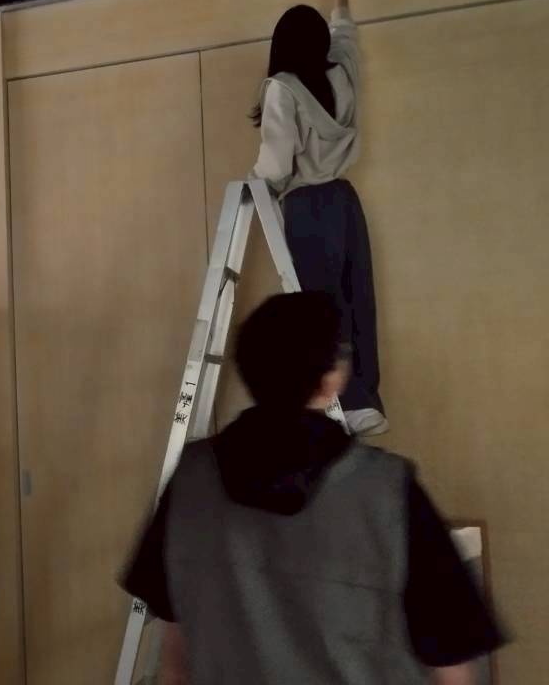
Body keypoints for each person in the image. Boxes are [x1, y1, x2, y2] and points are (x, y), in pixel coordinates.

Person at [122, 292, 505, 685]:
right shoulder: (387, 492)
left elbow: (176, 653)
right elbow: (453, 660)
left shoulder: (191, 480)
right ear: (331, 378)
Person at [248, 0, 387, 436]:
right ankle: (364, 398)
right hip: (345, 200)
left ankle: (342, 402)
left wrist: (252, 190)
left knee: (320, 306)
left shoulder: (282, 88)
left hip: (307, 204)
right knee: (356, 295)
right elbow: (345, 33)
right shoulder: (342, 75)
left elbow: (275, 163)